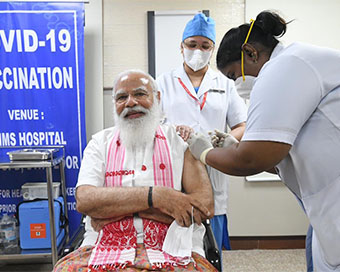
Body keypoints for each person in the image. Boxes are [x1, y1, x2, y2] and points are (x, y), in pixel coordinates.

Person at [187, 10, 340, 272]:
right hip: (323, 197)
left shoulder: (284, 67)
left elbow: (250, 160)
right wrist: (232, 147)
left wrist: (204, 152)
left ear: (251, 53)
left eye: (234, 75)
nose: (237, 85)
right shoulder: (296, 63)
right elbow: (279, 156)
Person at [53, 70, 217, 271]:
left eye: (140, 94)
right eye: (122, 97)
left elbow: (204, 206)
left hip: (174, 245)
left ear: (157, 98)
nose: (130, 102)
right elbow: (85, 200)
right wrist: (158, 197)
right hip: (105, 244)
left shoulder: (181, 141)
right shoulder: (99, 144)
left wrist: (117, 210)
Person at [156, 12, 247, 255]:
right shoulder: (162, 83)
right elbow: (152, 126)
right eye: (192, 44)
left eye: (205, 46)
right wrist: (172, 132)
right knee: (174, 245)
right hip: (174, 169)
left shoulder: (226, 84)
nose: (198, 50)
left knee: (210, 245)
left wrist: (226, 140)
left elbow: (242, 125)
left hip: (213, 167)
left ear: (212, 49)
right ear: (181, 46)